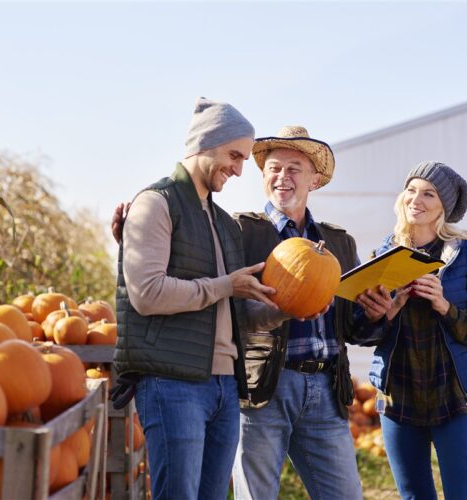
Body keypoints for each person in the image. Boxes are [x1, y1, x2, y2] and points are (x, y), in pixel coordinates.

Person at [112, 97, 299, 500]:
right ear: (203, 144)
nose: (238, 168)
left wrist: (283, 310)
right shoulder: (156, 204)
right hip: (171, 382)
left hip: (223, 388)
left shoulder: (224, 224)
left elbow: (234, 314)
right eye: (234, 155)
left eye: (244, 159)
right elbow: (147, 294)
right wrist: (224, 286)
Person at [232, 126, 390, 499]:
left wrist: (375, 315)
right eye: (274, 168)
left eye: (293, 169)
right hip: (263, 387)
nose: (282, 177)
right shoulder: (241, 231)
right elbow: (227, 312)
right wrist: (280, 308)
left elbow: (352, 327)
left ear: (314, 180)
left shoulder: (338, 241)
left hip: (325, 387)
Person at [355, 161, 467, 500]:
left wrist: (445, 307)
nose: (416, 199)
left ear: (443, 207)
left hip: (454, 398)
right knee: (414, 495)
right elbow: (362, 333)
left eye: (428, 193)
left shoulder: (464, 257)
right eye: (411, 190)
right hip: (398, 399)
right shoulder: (383, 256)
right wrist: (386, 315)